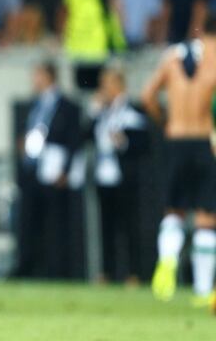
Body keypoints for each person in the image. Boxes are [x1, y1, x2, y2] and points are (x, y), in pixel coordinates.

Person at [143, 16, 216, 308]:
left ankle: (168, 260)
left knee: (173, 210)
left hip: (174, 139)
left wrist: (165, 121)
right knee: (206, 218)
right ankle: (201, 290)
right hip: (203, 142)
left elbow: (147, 96)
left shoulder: (172, 56)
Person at [15, 61, 84, 280]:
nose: (34, 81)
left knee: (55, 224)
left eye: (38, 75)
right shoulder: (34, 106)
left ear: (49, 76)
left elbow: (74, 142)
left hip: (54, 171)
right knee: (29, 223)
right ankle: (29, 268)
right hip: (32, 171)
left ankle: (57, 271)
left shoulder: (68, 106)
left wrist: (66, 170)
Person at [86, 66, 149, 284]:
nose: (104, 89)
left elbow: (144, 144)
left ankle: (133, 272)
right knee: (106, 228)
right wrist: (93, 111)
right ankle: (107, 272)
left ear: (119, 85)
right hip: (104, 176)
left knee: (129, 226)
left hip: (125, 178)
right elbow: (85, 136)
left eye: (108, 83)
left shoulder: (133, 110)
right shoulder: (102, 112)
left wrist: (123, 142)